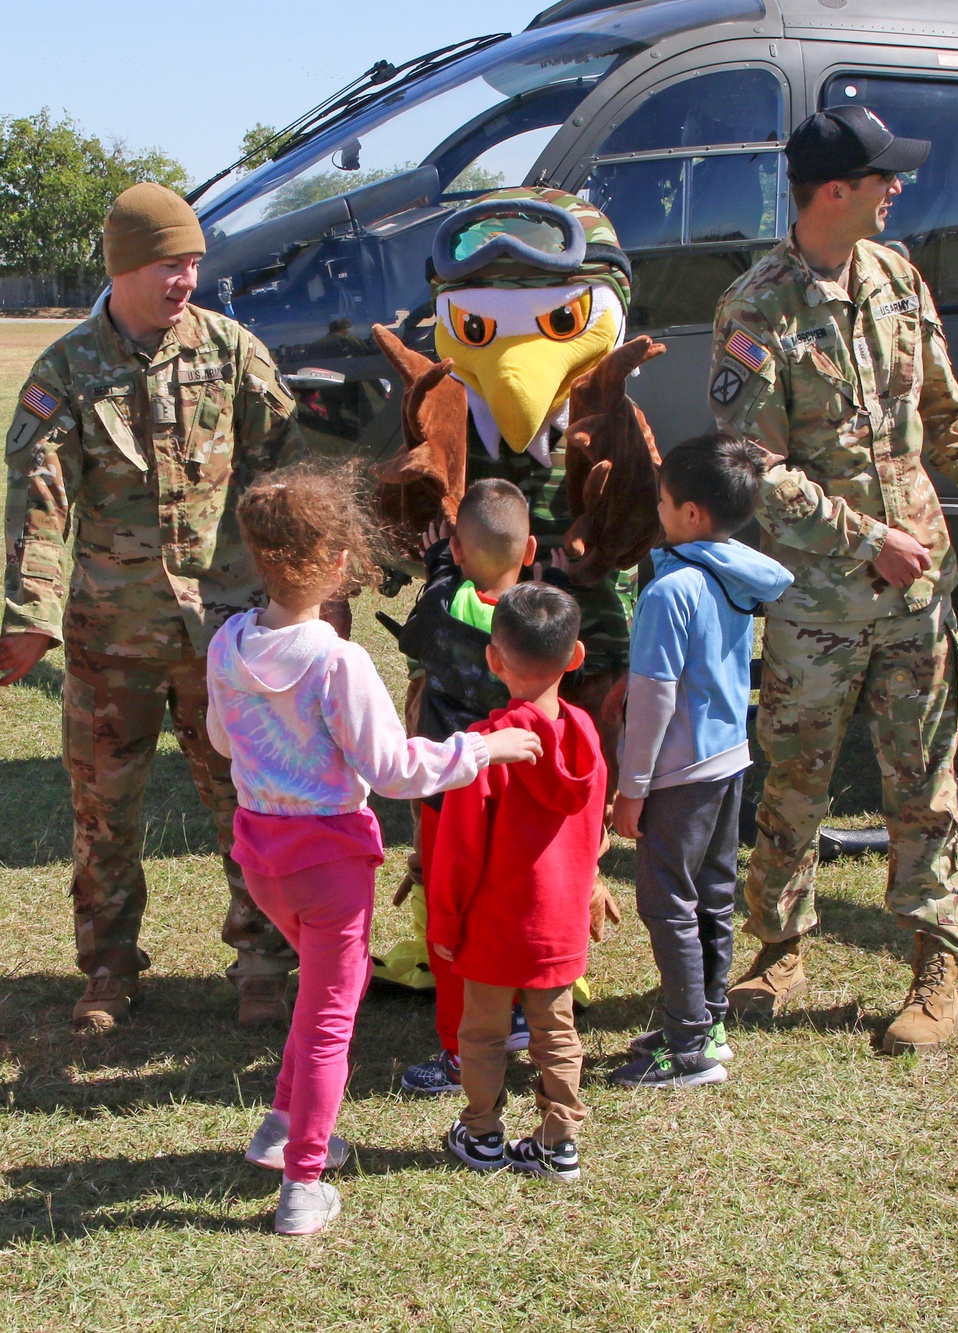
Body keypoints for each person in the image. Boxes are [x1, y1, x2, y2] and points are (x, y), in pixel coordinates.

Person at [709, 105, 958, 1052]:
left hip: (918, 592)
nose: (897, 189)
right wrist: (863, 535)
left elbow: (945, 405)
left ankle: (934, 966)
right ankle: (779, 950)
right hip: (819, 602)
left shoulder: (897, 277)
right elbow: (754, 464)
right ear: (835, 190)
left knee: (926, 779)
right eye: (883, 177)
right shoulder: (758, 308)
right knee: (795, 778)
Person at [0, 181, 308, 1031]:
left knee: (248, 801)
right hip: (113, 637)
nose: (187, 280)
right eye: (172, 264)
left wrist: (311, 593)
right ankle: (106, 967)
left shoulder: (232, 350)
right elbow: (38, 499)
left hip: (228, 636)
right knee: (104, 810)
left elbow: (285, 473)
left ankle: (261, 959)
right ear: (128, 267)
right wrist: (28, 615)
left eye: (194, 263)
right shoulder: (66, 369)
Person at [206, 462, 542, 1235]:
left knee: (325, 997)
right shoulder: (337, 660)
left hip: (261, 857)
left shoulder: (227, 641)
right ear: (336, 563)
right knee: (331, 1017)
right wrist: (482, 753)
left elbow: (226, 738)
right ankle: (303, 1182)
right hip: (328, 863)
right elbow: (392, 770)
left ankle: (284, 1126)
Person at [609, 435, 793, 1089]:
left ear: (690, 514)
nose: (656, 509)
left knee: (668, 903)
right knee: (712, 895)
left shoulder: (670, 591)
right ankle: (705, 1021)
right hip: (727, 761)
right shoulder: (733, 572)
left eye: (660, 499)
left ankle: (688, 1050)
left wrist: (632, 788)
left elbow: (653, 700)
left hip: (678, 775)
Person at [427, 582, 607, 1181]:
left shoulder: (486, 749)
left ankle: (481, 1134)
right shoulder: (587, 739)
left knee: (482, 1034)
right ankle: (559, 1144)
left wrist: (445, 923)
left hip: (493, 926)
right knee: (557, 1033)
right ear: (575, 657)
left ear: (493, 659)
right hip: (559, 924)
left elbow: (458, 849)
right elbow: (591, 831)